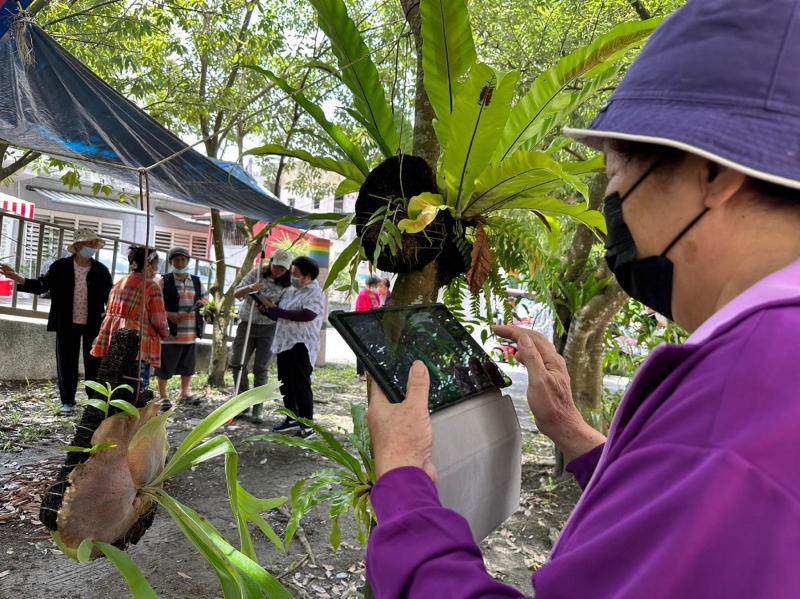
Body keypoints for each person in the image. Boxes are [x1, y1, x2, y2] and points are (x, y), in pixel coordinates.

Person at [364, 1, 800, 597]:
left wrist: (407, 481)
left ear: (714, 174)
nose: (608, 208)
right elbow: (686, 529)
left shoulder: (742, 400)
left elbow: (719, 471)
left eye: (618, 179)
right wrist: (573, 431)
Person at [1, 228, 113, 415]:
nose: (92, 248)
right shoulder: (60, 266)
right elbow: (41, 285)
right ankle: (68, 401)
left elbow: (109, 298)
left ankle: (94, 401)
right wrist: (17, 278)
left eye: (94, 245)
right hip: (66, 321)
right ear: (77, 246)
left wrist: (108, 319)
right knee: (66, 361)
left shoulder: (101, 270)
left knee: (94, 361)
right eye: (89, 244)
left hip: (93, 323)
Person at [91, 246, 169, 397]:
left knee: (115, 381)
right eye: (156, 264)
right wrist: (165, 332)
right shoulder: (151, 287)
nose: (157, 268)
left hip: (115, 338)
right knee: (137, 383)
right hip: (138, 341)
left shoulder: (119, 283)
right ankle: (132, 416)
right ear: (149, 264)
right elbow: (158, 319)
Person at [229, 249, 292, 424]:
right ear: (271, 262)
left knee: (261, 367)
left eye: (282, 268)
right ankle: (241, 402)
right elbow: (236, 293)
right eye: (276, 265)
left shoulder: (288, 285)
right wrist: (251, 288)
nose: (278, 270)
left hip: (269, 328)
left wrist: (271, 306)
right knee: (237, 362)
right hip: (246, 324)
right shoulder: (256, 273)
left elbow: (283, 307)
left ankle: (258, 405)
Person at [266, 256, 325, 437]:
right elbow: (281, 314)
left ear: (307, 275)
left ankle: (307, 425)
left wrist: (281, 312)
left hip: (301, 344)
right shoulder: (291, 292)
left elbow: (308, 315)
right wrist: (268, 310)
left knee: (301, 385)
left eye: (296, 274)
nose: (292, 277)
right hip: (285, 342)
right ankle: (291, 418)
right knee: (285, 383)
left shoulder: (315, 293)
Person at [156, 246, 206, 411]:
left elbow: (205, 297)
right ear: (171, 262)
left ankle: (184, 393)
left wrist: (202, 302)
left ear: (187, 261)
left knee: (187, 365)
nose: (180, 262)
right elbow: (154, 303)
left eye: (183, 259)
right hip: (170, 333)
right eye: (176, 259)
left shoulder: (197, 281)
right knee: (165, 365)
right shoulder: (164, 280)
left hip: (190, 331)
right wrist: (169, 314)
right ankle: (163, 396)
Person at [354, 275, 381, 380]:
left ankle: (369, 371)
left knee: (372, 348)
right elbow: (360, 310)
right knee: (361, 348)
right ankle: (361, 373)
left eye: (377, 286)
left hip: (374, 325)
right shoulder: (363, 294)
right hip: (363, 325)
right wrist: (372, 310)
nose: (376, 288)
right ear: (370, 285)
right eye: (375, 286)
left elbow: (378, 306)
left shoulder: (376, 295)